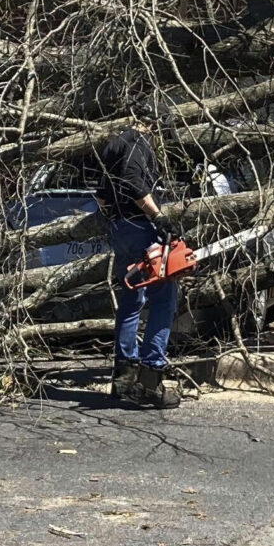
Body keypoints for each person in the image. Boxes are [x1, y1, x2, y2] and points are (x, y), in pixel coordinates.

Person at [89, 110, 182, 408]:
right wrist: (158, 217)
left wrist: (113, 219)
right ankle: (151, 380)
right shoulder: (139, 141)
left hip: (119, 228)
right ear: (151, 124)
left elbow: (101, 193)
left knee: (131, 300)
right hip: (142, 228)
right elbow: (132, 179)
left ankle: (123, 378)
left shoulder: (113, 143)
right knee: (163, 297)